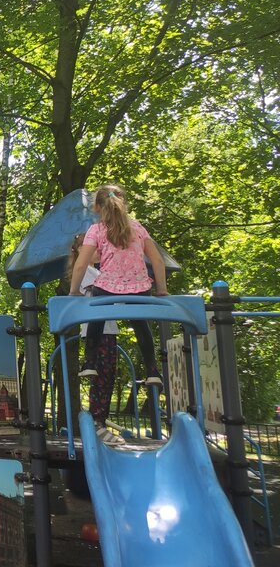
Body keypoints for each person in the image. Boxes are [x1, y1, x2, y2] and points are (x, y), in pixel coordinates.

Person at [69, 184, 168, 388]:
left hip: (108, 285)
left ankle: (89, 361)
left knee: (96, 314)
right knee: (141, 325)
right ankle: (152, 370)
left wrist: (74, 291)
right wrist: (162, 290)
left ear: (96, 207)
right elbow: (157, 261)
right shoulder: (138, 227)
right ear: (124, 205)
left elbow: (80, 265)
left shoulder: (96, 230)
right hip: (139, 286)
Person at [66, 234, 120, 441]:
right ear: (80, 249)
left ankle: (100, 421)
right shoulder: (84, 272)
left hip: (108, 328)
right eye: (93, 247)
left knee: (107, 375)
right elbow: (107, 288)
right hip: (98, 330)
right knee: (102, 376)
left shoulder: (95, 271)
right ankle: (97, 422)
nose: (98, 251)